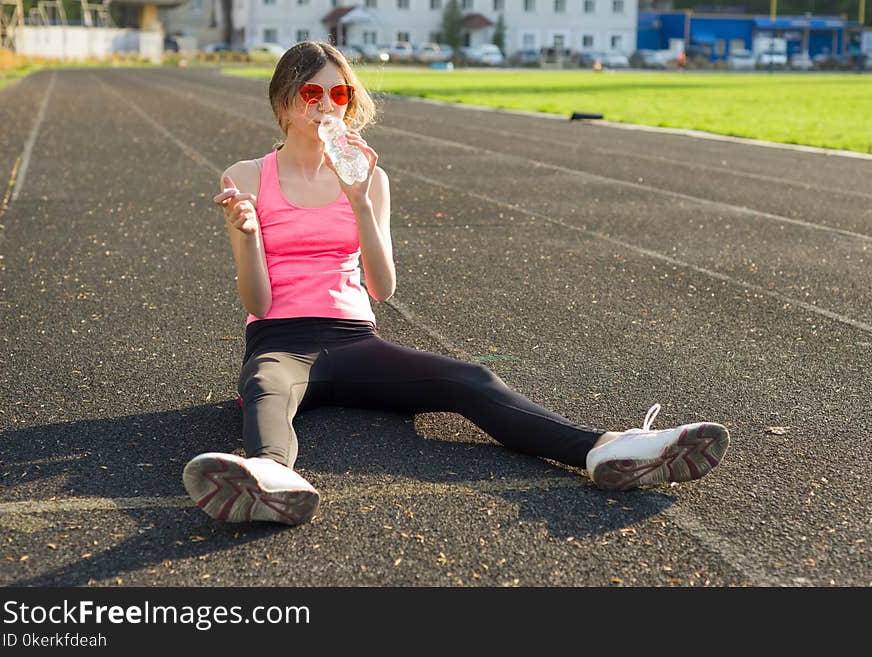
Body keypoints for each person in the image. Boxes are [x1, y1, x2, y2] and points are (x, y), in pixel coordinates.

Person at [182, 41, 730, 526]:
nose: (327, 104)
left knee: (469, 378)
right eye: (311, 92)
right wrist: (247, 233)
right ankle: (271, 477)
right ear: (283, 101)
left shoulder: (371, 178)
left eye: (341, 94)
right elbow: (256, 301)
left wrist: (359, 200)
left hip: (353, 341)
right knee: (265, 388)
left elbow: (382, 288)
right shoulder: (248, 177)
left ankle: (606, 449)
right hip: (279, 339)